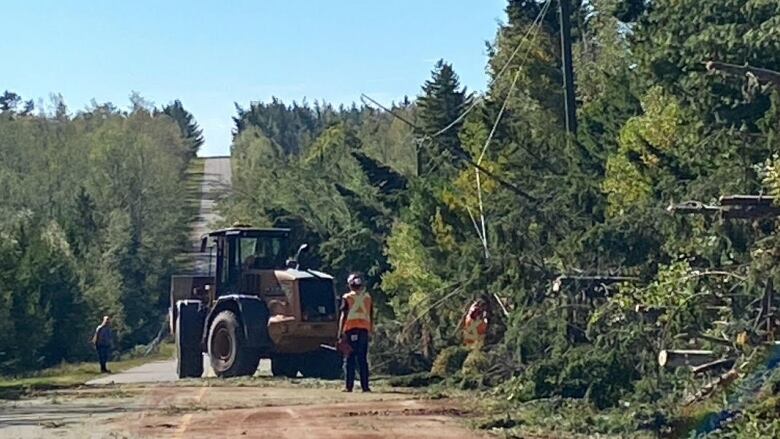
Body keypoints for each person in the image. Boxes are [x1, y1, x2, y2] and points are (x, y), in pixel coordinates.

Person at [338, 273, 373, 392]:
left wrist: (340, 333)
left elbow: (344, 315)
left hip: (350, 330)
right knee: (362, 359)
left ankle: (349, 386)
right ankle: (365, 387)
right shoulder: (368, 298)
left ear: (350, 285)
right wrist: (370, 330)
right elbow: (371, 315)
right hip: (364, 330)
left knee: (350, 358)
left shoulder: (347, 297)